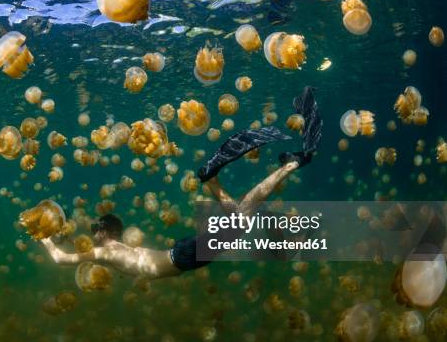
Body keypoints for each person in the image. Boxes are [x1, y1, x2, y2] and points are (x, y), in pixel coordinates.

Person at [41, 87, 322, 279]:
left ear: (106, 231)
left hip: (183, 257)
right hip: (180, 253)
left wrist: (44, 237)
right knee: (240, 217)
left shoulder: (106, 251)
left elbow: (61, 260)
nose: (92, 233)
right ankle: (213, 180)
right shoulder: (116, 250)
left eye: (95, 228)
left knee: (244, 214)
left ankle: (292, 163)